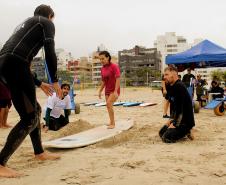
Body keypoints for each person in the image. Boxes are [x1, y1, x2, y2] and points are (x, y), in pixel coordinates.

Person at [0, 5, 61, 178]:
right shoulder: (46, 23)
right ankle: (0, 162)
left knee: (35, 110)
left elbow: (21, 60)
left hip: (5, 66)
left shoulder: (25, 25)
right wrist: (54, 79)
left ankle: (39, 152)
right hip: (15, 65)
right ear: (50, 16)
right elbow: (50, 51)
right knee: (29, 118)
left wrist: (38, 82)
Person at [159, 66, 195, 143]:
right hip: (178, 118)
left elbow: (180, 109)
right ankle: (181, 132)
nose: (164, 77)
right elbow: (173, 106)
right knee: (161, 133)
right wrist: (170, 120)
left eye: (166, 75)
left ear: (174, 74)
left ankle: (186, 131)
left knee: (166, 137)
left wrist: (175, 124)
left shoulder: (179, 86)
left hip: (185, 121)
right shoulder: (171, 86)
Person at [98, 51, 120, 129]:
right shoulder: (102, 69)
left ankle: (113, 123)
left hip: (114, 90)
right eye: (100, 59)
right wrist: (100, 91)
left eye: (103, 58)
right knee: (108, 106)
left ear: (108, 57)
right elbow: (104, 81)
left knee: (108, 103)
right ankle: (111, 122)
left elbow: (118, 78)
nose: (101, 61)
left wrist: (115, 91)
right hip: (107, 90)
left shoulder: (114, 66)